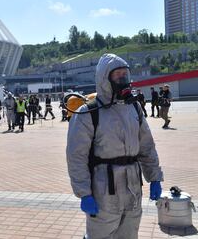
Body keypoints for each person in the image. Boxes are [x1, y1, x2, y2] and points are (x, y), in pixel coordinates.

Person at [66, 53, 163, 239]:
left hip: (133, 188)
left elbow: (147, 147)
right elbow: (76, 157)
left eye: (124, 74)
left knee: (129, 234)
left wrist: (155, 177)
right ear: (104, 78)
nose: (122, 79)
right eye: (117, 75)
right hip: (103, 190)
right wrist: (84, 193)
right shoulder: (88, 113)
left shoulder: (134, 108)